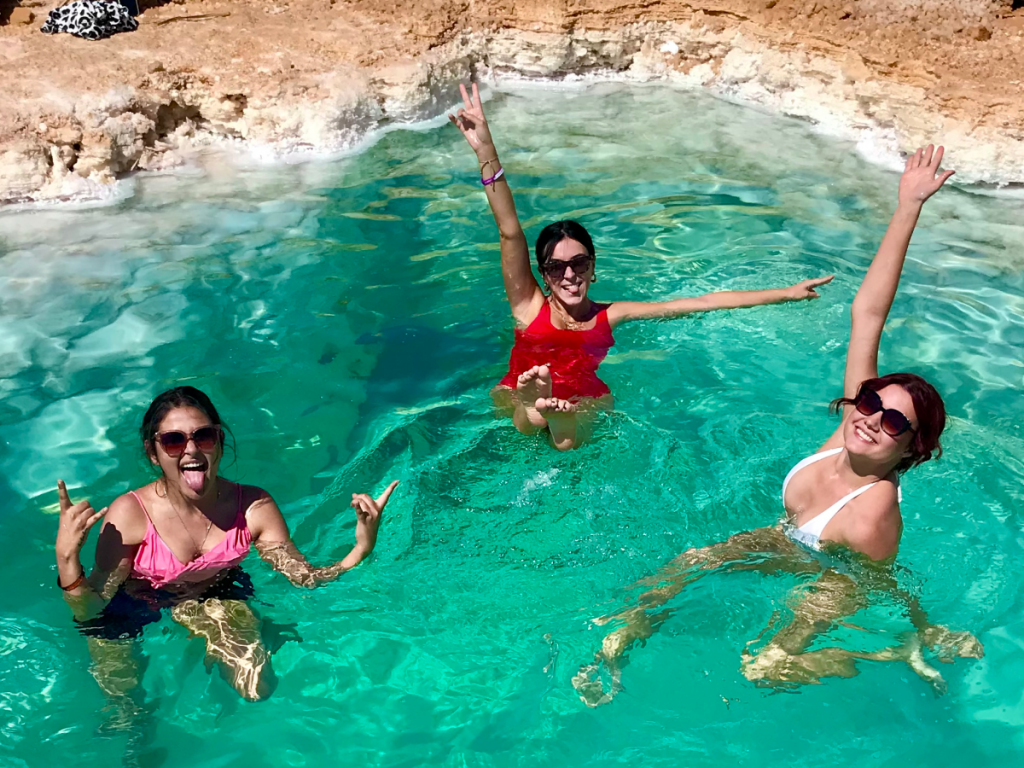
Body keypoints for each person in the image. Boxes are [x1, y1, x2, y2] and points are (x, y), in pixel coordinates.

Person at [573, 145, 983, 706]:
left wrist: (918, 625)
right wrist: (907, 205)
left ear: (910, 448)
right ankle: (620, 640)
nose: (870, 420)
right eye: (868, 402)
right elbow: (868, 314)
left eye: (893, 422)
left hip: (838, 580)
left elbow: (879, 581)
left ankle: (883, 654)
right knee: (686, 566)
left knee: (761, 669)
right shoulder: (848, 430)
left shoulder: (874, 509)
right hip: (791, 538)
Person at [449, 83, 834, 450]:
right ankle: (537, 412)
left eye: (579, 263)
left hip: (575, 401)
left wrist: (786, 293)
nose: (569, 275)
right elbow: (509, 232)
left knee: (593, 406)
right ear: (544, 274)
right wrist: (486, 151)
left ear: (593, 265)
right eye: (556, 267)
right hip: (528, 390)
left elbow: (701, 303)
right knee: (523, 403)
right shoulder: (528, 306)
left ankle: (555, 422)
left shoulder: (611, 314)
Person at [55, 386, 397, 704]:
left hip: (218, 596)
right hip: (136, 603)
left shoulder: (254, 507)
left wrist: (362, 548)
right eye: (173, 441)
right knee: (125, 702)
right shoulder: (129, 514)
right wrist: (67, 558)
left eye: (203, 436)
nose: (191, 449)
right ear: (154, 453)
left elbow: (305, 578)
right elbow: (91, 609)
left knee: (257, 688)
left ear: (219, 442)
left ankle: (219, 653)